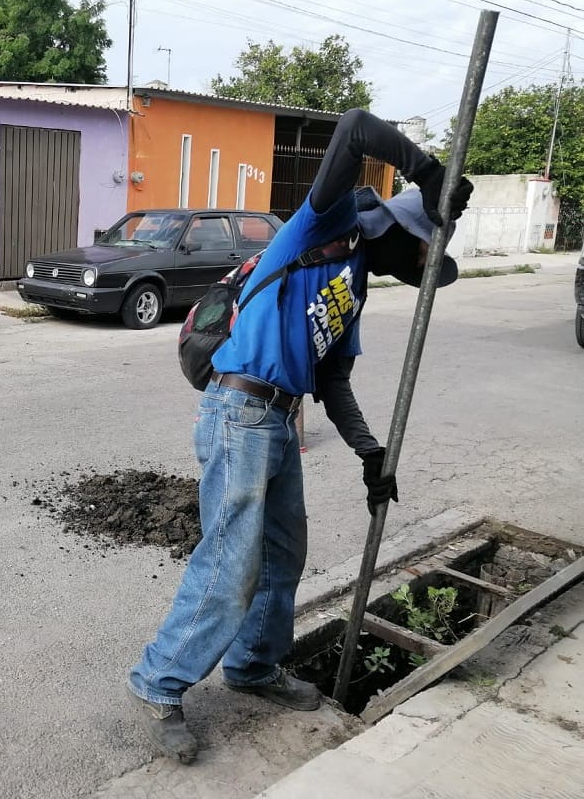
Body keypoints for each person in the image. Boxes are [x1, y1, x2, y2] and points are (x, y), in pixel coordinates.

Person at [127, 108, 473, 763]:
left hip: (278, 420)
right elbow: (353, 128)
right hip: (237, 411)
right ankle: (157, 681)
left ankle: (252, 666)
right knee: (232, 557)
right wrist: (425, 169)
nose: (423, 265)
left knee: (283, 555)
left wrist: (370, 452)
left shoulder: (354, 289)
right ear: (401, 231)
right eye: (425, 252)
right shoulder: (325, 225)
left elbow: (333, 382)